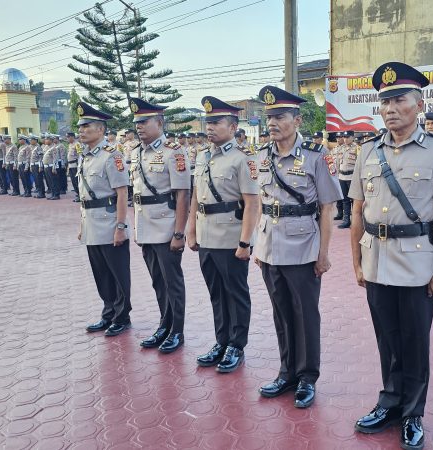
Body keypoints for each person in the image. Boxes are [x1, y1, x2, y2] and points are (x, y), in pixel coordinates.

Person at [349, 61, 433, 450]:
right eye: (385, 102)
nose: (390, 109)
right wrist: (356, 262)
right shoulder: (368, 151)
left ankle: (413, 412)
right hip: (376, 259)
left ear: (419, 105)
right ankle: (390, 402)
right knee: (387, 339)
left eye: (399, 100)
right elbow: (357, 212)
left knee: (414, 342)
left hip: (416, 263)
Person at [253, 85, 343, 409]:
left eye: (280, 116)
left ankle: (307, 377)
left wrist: (324, 254)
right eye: (269, 117)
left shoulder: (317, 156)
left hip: (303, 246)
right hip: (270, 247)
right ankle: (286, 372)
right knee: (281, 313)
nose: (272, 123)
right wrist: (258, 245)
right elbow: (262, 203)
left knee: (305, 315)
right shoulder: (262, 155)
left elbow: (327, 208)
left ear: (297, 120)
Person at [187, 96, 260, 372]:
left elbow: (252, 203)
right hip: (206, 235)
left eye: (216, 122)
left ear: (232, 127)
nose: (210, 127)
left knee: (235, 293)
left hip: (231, 237)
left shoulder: (243, 159)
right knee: (216, 293)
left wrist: (245, 242)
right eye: (208, 122)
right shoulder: (202, 156)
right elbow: (196, 196)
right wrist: (191, 230)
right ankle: (221, 341)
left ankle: (236, 345)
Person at [127, 97, 191, 352]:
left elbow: (182, 194)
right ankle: (164, 325)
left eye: (144, 122)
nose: (139, 126)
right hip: (146, 226)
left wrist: (179, 233)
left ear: (160, 123)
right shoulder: (135, 152)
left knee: (172, 282)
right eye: (137, 123)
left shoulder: (174, 152)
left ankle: (177, 330)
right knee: (158, 281)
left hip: (166, 226)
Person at [76, 102, 132, 336]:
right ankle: (108, 313)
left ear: (100, 129)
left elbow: (122, 193)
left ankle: (122, 316)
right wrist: (82, 225)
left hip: (109, 223)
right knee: (101, 274)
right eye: (80, 127)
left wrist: (120, 226)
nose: (81, 131)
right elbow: (85, 196)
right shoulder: (85, 157)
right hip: (91, 223)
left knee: (117, 273)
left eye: (86, 126)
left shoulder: (112, 156)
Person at [337, 130, 359, 229]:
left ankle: (355, 220)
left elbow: (359, 164)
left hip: (352, 177)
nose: (345, 139)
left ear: (352, 137)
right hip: (342, 177)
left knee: (354, 199)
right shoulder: (341, 148)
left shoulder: (357, 148)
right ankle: (346, 220)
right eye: (344, 137)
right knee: (345, 200)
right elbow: (338, 163)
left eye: (347, 137)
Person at [67, 132, 81, 202]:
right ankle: (78, 194)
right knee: (73, 181)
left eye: (68, 137)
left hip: (75, 165)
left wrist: (79, 165)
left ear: (72, 137)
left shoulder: (77, 144)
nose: (67, 138)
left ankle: (80, 195)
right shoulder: (70, 145)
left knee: (77, 181)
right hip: (70, 165)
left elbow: (80, 155)